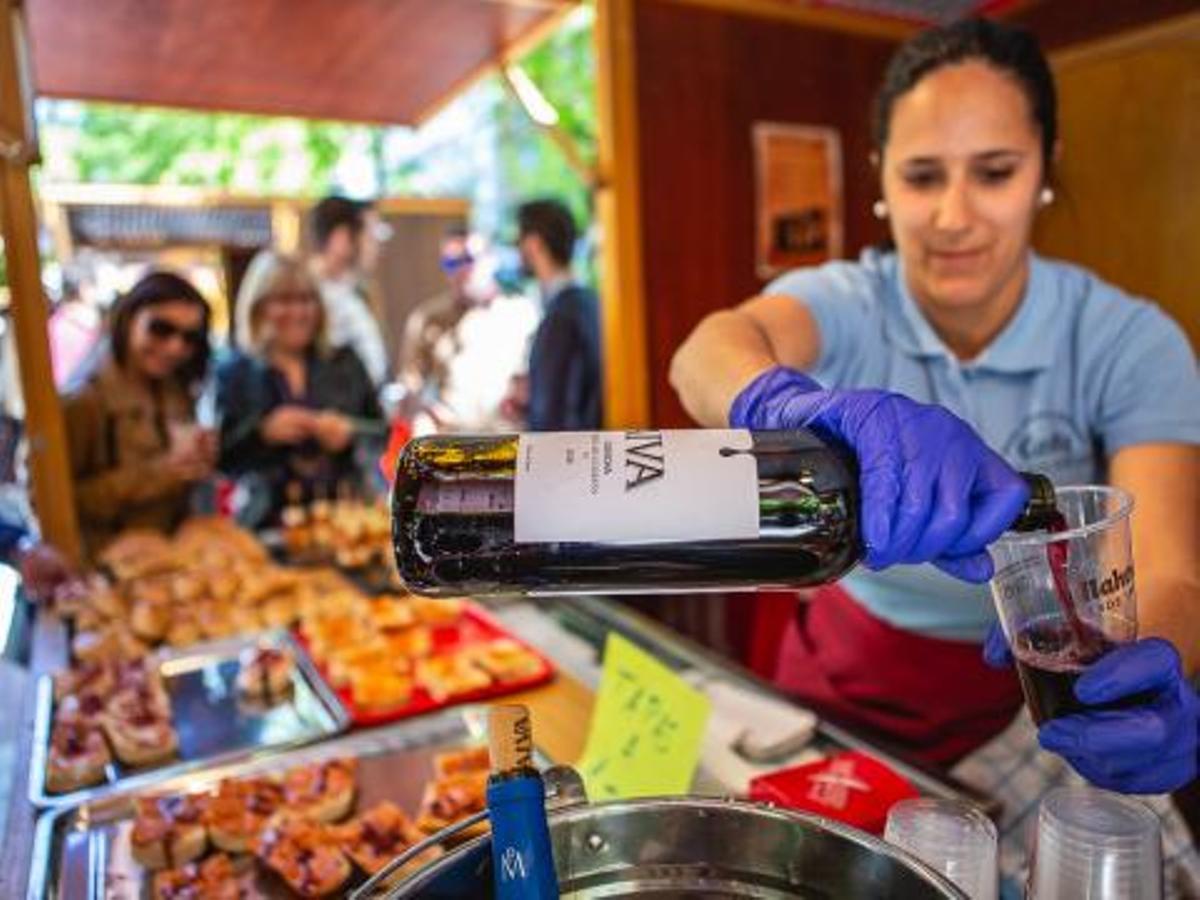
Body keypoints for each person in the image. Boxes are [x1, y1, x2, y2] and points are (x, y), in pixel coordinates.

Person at [672, 17, 1197, 811]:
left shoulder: (1126, 339)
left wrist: (1144, 671)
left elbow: (1168, 568)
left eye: (994, 172)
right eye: (922, 177)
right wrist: (785, 404)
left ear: (1045, 168)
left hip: (1038, 693)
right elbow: (704, 352)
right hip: (848, 683)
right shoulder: (849, 301)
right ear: (881, 180)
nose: (954, 215)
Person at [216, 250, 382, 528]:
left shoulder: (345, 362)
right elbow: (219, 455)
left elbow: (381, 432)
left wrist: (349, 431)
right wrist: (262, 433)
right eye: (283, 300)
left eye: (306, 299)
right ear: (258, 307)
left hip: (344, 519)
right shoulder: (235, 371)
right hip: (263, 522)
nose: (298, 312)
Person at [61, 271, 215, 558]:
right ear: (129, 319)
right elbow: (55, 502)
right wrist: (160, 474)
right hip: (105, 565)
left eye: (189, 337)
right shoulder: (84, 401)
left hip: (172, 561)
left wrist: (199, 460)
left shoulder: (177, 392)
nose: (175, 346)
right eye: (161, 329)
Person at [516, 199, 602, 430]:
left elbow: (552, 417)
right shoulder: (591, 302)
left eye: (519, 240)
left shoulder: (561, 316)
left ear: (533, 243)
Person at [308, 195, 390, 387]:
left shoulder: (356, 292)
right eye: (370, 235)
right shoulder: (309, 297)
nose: (377, 246)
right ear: (342, 238)